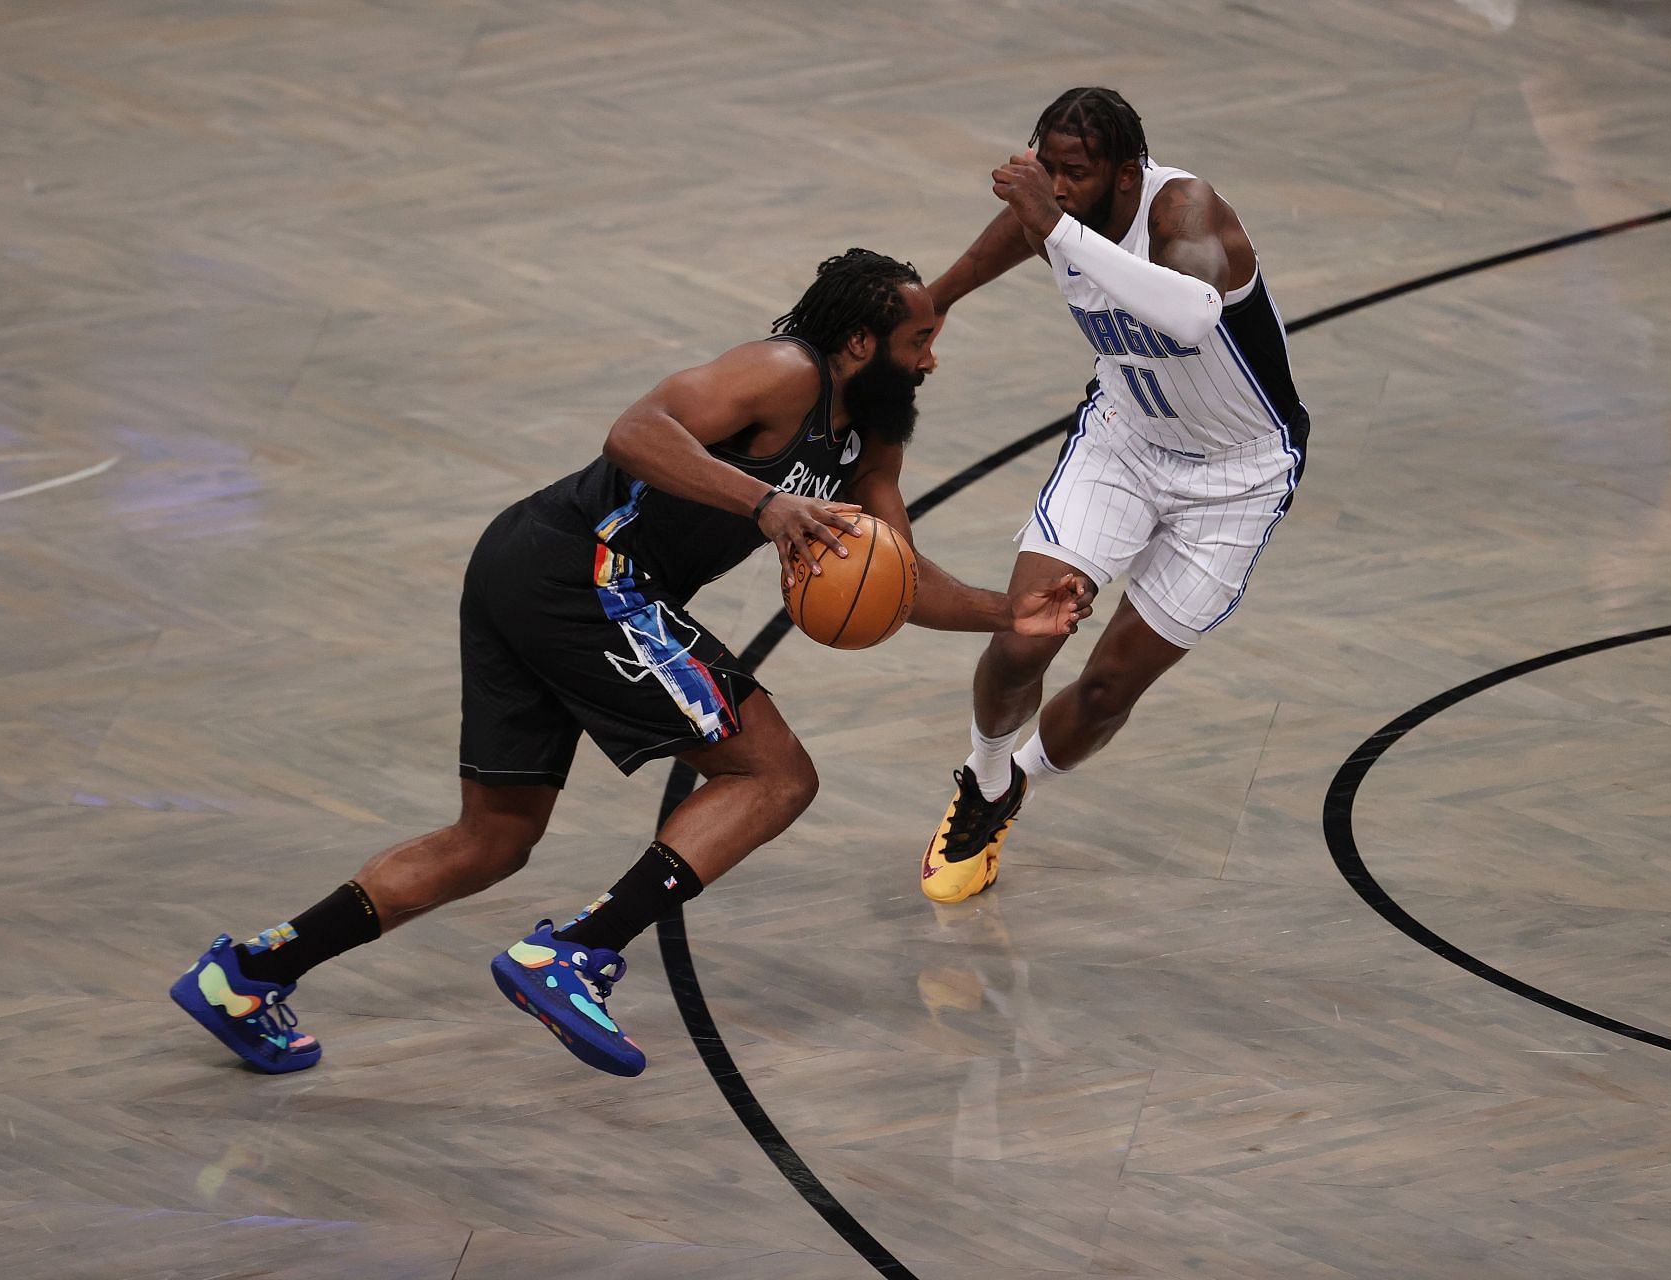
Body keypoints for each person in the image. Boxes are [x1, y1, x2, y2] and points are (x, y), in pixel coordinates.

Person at [170, 249, 1089, 1077]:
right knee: (774, 773)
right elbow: (637, 430)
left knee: (493, 839)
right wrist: (765, 506)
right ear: (858, 340)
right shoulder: (782, 372)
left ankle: (248, 974)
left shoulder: (870, 440)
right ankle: (579, 952)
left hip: (534, 571)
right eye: (919, 339)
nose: (933, 358)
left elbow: (897, 578)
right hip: (584, 572)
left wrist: (1009, 613)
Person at [918, 87, 1309, 903]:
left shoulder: (1185, 211)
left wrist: (1053, 225)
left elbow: (1191, 316)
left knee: (1103, 691)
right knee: (1023, 637)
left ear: (1127, 174)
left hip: (1236, 477)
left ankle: (1021, 780)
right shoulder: (1059, 208)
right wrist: (941, 295)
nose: (1056, 190)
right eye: (1047, 172)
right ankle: (984, 782)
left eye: (1076, 174)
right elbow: (1028, 230)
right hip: (1125, 444)